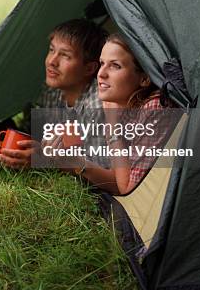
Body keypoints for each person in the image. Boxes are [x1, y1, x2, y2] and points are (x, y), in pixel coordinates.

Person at [66, 33, 177, 195]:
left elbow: (125, 187)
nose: (101, 74)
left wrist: (112, 128)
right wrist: (68, 162)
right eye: (102, 63)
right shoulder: (125, 106)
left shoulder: (155, 108)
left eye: (115, 66)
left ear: (145, 78)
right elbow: (119, 178)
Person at [0, 18, 107, 169]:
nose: (52, 61)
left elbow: (99, 165)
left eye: (65, 56)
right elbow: (39, 135)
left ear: (89, 68)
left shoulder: (98, 103)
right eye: (51, 50)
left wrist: (43, 161)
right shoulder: (52, 91)